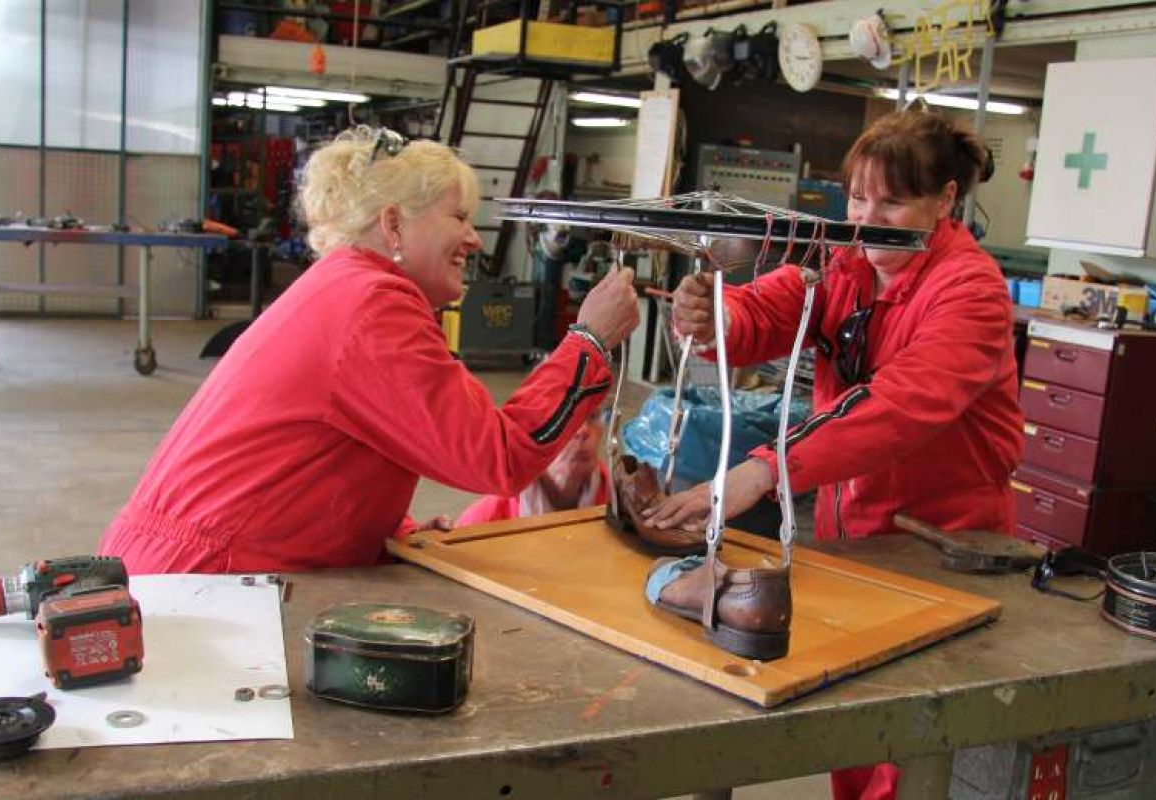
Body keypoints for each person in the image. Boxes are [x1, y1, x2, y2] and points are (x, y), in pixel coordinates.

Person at [644, 109, 1024, 800]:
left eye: (890, 200)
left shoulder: (970, 291)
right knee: (857, 718)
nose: (865, 215)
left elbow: (897, 404)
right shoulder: (844, 262)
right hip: (852, 528)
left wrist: (763, 468)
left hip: (940, 543)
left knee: (913, 738)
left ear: (944, 201)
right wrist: (711, 319)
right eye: (856, 197)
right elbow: (765, 311)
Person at [99, 126, 639, 574]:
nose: (474, 240)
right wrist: (588, 341)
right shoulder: (373, 305)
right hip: (206, 581)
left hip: (192, 569)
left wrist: (388, 530)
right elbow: (496, 458)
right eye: (459, 217)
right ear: (394, 224)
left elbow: (319, 455)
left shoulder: (345, 288)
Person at [454, 408, 609, 525]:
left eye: (592, 416)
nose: (583, 431)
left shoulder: (623, 504)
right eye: (564, 417)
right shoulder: (482, 524)